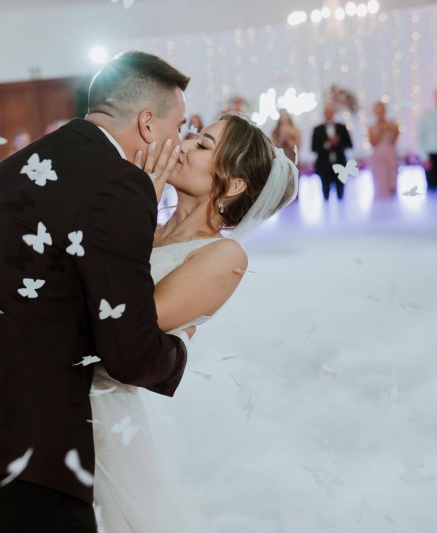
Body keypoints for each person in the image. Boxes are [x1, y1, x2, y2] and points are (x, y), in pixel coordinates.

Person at [0, 51, 191, 533]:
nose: (181, 142)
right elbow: (128, 352)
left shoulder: (19, 164)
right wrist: (181, 344)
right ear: (148, 124)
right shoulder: (118, 183)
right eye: (181, 126)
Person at [92, 113, 298, 532]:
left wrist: (141, 202)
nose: (182, 146)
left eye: (202, 145)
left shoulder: (225, 256)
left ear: (233, 185)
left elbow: (134, 317)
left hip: (99, 408)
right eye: (190, 136)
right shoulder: (149, 226)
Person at [311, 103, 353, 201]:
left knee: (341, 193)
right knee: (325, 193)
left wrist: (337, 143)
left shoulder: (342, 128)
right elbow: (314, 148)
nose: (329, 114)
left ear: (334, 113)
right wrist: (327, 144)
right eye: (327, 112)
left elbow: (349, 144)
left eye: (331, 112)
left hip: (340, 165)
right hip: (324, 166)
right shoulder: (317, 130)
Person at [368, 101, 400, 199]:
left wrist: (391, 129)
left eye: (381, 111)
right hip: (378, 158)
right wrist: (380, 131)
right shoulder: (371, 127)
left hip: (391, 156)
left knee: (392, 184)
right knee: (381, 185)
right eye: (377, 112)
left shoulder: (393, 125)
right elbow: (373, 142)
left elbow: (394, 140)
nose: (380, 114)